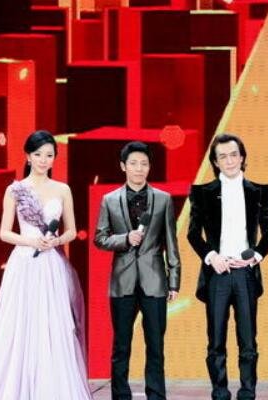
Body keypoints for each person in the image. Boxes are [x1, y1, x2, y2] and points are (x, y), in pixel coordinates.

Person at [0, 130, 91, 399]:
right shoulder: (15, 190)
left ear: (55, 158)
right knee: (19, 323)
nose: (44, 160)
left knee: (52, 324)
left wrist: (55, 241)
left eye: (49, 155)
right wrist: (32, 242)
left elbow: (71, 231)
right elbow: (4, 233)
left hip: (51, 265)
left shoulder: (62, 189)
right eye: (38, 155)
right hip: (23, 264)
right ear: (28, 156)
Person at [187, 133, 268, 400]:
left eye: (234, 154)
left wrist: (254, 257)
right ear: (215, 162)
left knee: (248, 340)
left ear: (242, 157)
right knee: (216, 340)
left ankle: (248, 392)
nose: (229, 160)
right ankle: (220, 392)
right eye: (222, 156)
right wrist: (212, 256)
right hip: (218, 273)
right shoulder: (202, 193)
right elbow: (193, 234)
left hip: (245, 273)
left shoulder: (260, 191)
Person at [94, 141, 181, 400]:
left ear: (149, 167)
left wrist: (174, 280)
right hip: (122, 282)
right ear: (123, 166)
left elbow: (171, 242)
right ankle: (120, 395)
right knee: (121, 346)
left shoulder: (163, 199)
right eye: (133, 163)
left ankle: (156, 395)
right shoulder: (109, 200)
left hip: (155, 281)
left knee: (155, 346)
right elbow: (100, 238)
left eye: (144, 163)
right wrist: (125, 239)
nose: (139, 168)